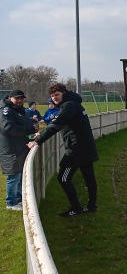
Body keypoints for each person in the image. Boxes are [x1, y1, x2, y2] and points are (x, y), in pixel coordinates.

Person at [27, 83, 98, 217]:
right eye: (52, 96)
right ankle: (91, 206)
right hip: (86, 147)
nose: (54, 98)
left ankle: (76, 208)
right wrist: (41, 134)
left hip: (76, 150)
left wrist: (37, 141)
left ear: (63, 93)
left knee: (63, 178)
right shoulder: (73, 104)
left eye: (57, 95)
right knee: (89, 178)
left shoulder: (68, 106)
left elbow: (55, 126)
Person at [0, 90, 37, 210]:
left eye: (22, 98)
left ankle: (20, 199)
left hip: (20, 148)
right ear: (10, 98)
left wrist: (32, 129)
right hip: (11, 149)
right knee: (14, 176)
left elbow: (24, 125)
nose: (20, 100)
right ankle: (11, 203)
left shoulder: (19, 110)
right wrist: (29, 128)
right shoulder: (6, 110)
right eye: (17, 98)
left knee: (20, 175)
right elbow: (8, 129)